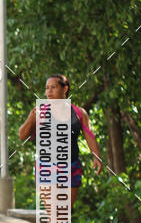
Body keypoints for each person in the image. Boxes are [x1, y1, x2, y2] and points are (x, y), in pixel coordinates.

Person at [19, 73, 103, 209]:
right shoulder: (41, 112)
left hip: (72, 166)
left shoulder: (79, 113)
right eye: (47, 88)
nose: (49, 91)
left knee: (64, 212)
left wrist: (97, 157)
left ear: (65, 89)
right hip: (47, 166)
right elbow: (22, 136)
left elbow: (89, 135)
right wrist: (30, 119)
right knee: (53, 212)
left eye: (53, 87)